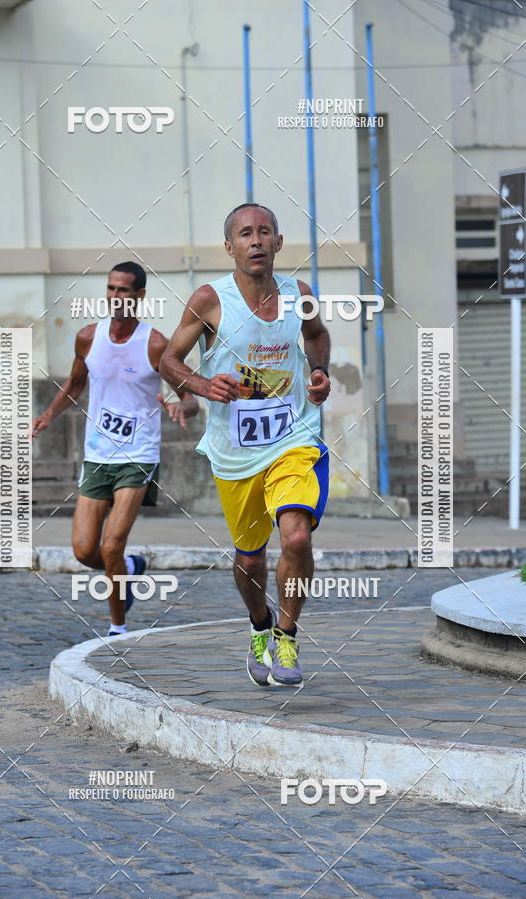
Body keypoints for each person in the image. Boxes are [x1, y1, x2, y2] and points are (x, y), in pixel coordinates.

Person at [159, 204, 331, 687]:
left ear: (278, 243)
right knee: (251, 556)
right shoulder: (210, 300)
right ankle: (258, 626)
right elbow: (170, 359)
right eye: (244, 234)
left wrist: (319, 372)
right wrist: (200, 384)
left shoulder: (301, 295)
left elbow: (317, 335)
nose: (255, 241)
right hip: (235, 452)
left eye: (264, 233)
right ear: (229, 247)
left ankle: (288, 635)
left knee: (296, 536)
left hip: (295, 437)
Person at [32, 261, 198, 635]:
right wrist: (47, 416)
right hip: (97, 456)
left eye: (124, 290)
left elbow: (192, 398)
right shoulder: (89, 337)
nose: (115, 297)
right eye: (111, 288)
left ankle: (117, 627)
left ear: (139, 296)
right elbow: (75, 384)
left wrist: (178, 405)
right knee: (84, 550)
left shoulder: (156, 344)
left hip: (137, 456)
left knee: (110, 547)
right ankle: (132, 568)